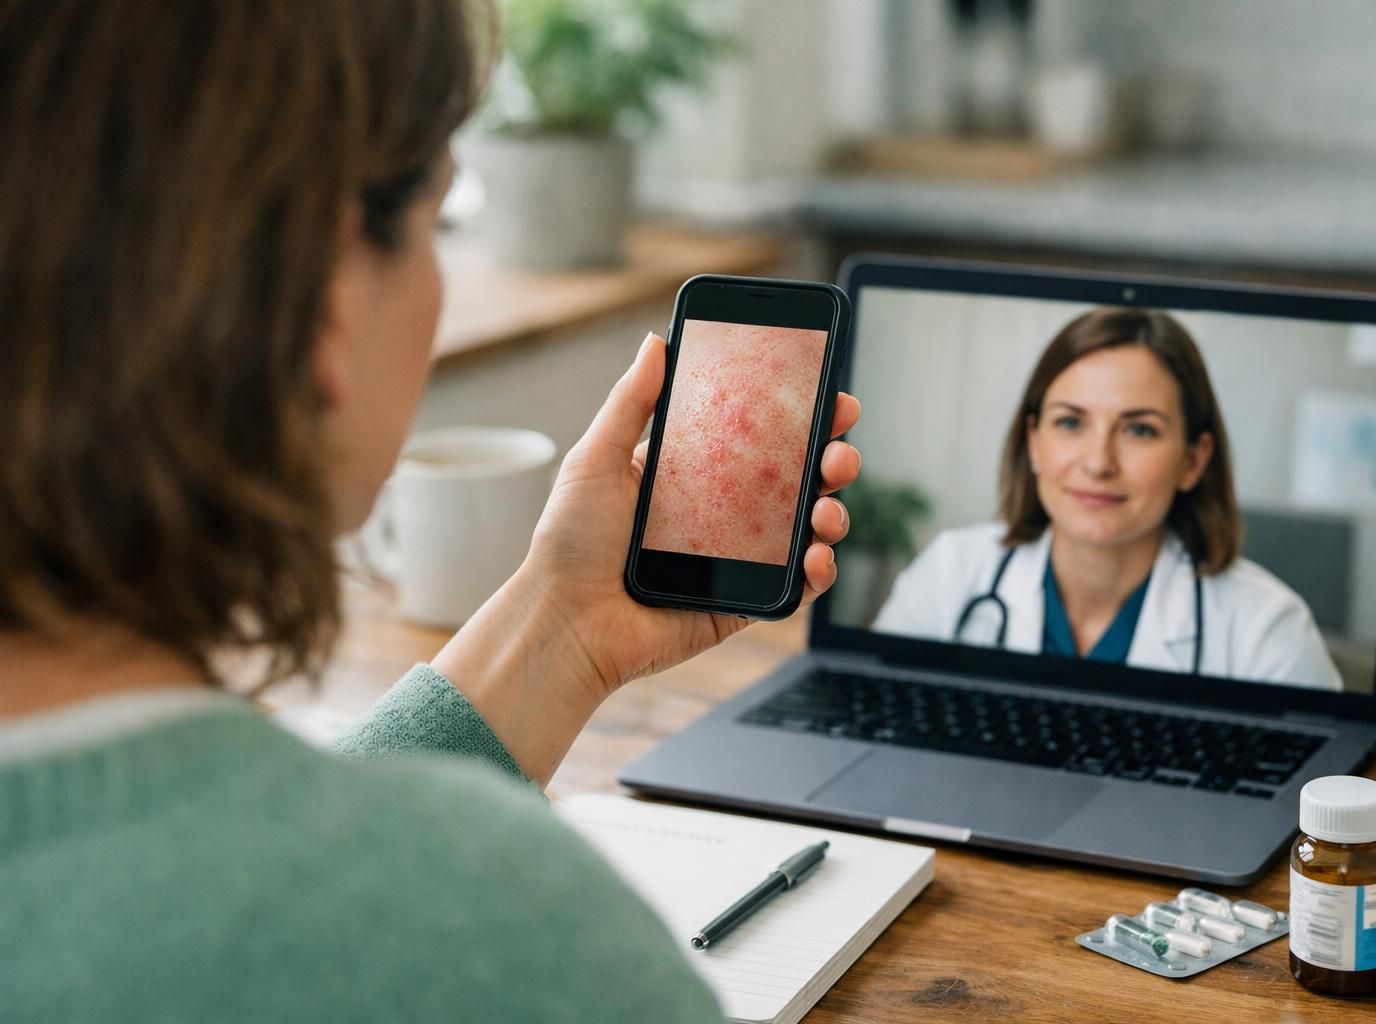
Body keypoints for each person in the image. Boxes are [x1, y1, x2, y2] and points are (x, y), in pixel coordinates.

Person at [0, 3, 862, 1021]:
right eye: (430, 225)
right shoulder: (506, 933)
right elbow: (322, 900)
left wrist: (564, 625)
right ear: (322, 302)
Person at [874, 307, 1341, 690]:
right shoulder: (949, 573)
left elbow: (1312, 800)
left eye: (1139, 430)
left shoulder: (1268, 630)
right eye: (1070, 423)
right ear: (1034, 443)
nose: (1098, 463)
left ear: (1192, 462)